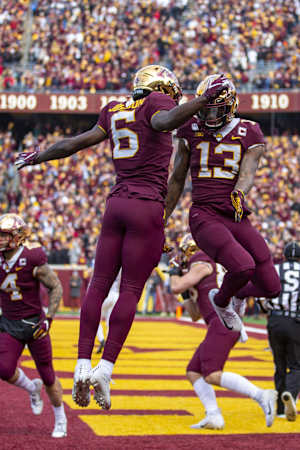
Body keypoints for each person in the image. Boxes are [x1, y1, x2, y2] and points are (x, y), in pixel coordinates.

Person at [15, 65, 229, 410]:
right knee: (130, 289)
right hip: (146, 206)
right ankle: (106, 368)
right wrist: (203, 99)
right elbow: (162, 122)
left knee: (98, 283)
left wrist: (39, 156)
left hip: (116, 203)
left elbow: (77, 142)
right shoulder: (157, 102)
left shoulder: (113, 108)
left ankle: (82, 361)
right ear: (161, 88)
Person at [165, 73, 281, 333]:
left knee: (272, 286)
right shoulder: (189, 130)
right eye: (204, 110)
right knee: (243, 266)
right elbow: (176, 180)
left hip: (235, 213)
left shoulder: (249, 131)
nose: (208, 116)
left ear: (230, 105)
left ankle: (238, 295)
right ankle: (220, 300)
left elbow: (247, 174)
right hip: (204, 214)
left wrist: (239, 193)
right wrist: (163, 217)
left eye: (215, 110)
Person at [168, 233, 277, 429]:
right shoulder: (210, 264)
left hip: (223, 322)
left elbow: (176, 286)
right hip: (222, 322)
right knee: (194, 371)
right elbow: (194, 315)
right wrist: (188, 294)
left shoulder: (202, 261)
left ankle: (261, 395)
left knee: (211, 374)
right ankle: (213, 416)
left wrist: (173, 270)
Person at [0, 213, 67, 438]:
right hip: (9, 324)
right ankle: (31, 388)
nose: (0, 239)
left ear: (17, 237)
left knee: (48, 376)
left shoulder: (32, 257)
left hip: (34, 325)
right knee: (4, 369)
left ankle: (60, 419)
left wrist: (49, 319)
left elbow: (56, 287)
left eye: (4, 235)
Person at [259, 241, 300, 421]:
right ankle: (290, 393)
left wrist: (269, 309)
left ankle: (282, 409)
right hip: (294, 320)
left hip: (275, 319)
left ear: (283, 255)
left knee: (280, 366)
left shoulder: (274, 269)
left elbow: (261, 294)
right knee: (297, 365)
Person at [96, 269, 121, 353]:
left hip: (106, 295)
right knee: (110, 322)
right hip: (116, 295)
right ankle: (109, 344)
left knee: (95, 319)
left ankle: (102, 339)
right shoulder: (120, 268)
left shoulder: (107, 264)